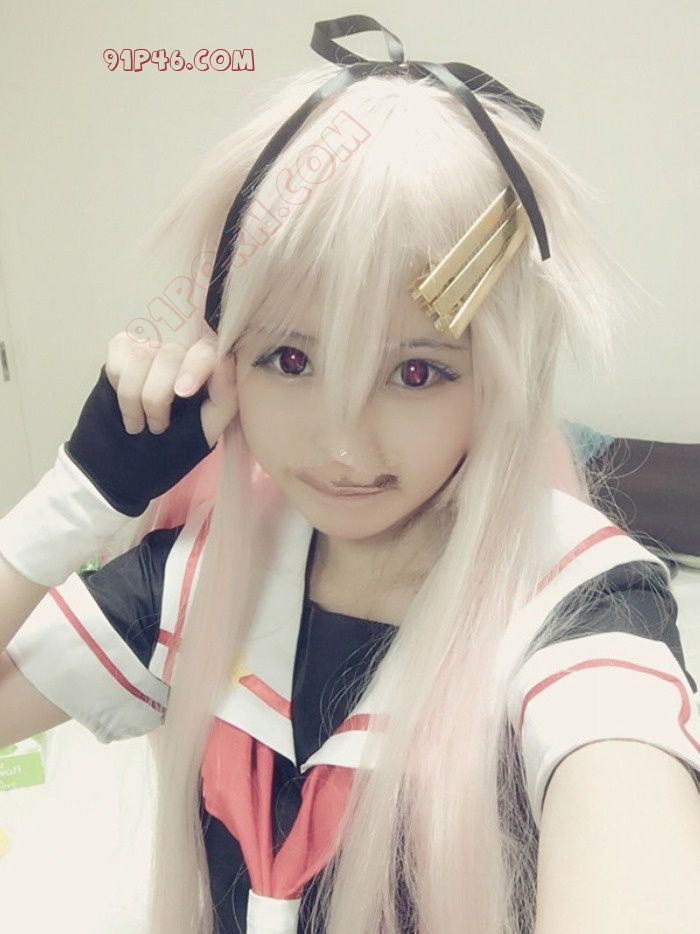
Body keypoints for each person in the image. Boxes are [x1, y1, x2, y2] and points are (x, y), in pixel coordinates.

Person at [1, 14, 699, 934]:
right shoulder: (204, 574)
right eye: (289, 359)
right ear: (227, 361)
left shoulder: (579, 605)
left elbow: (627, 809)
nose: (341, 441)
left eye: (417, 371)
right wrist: (81, 494)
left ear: (499, 378)